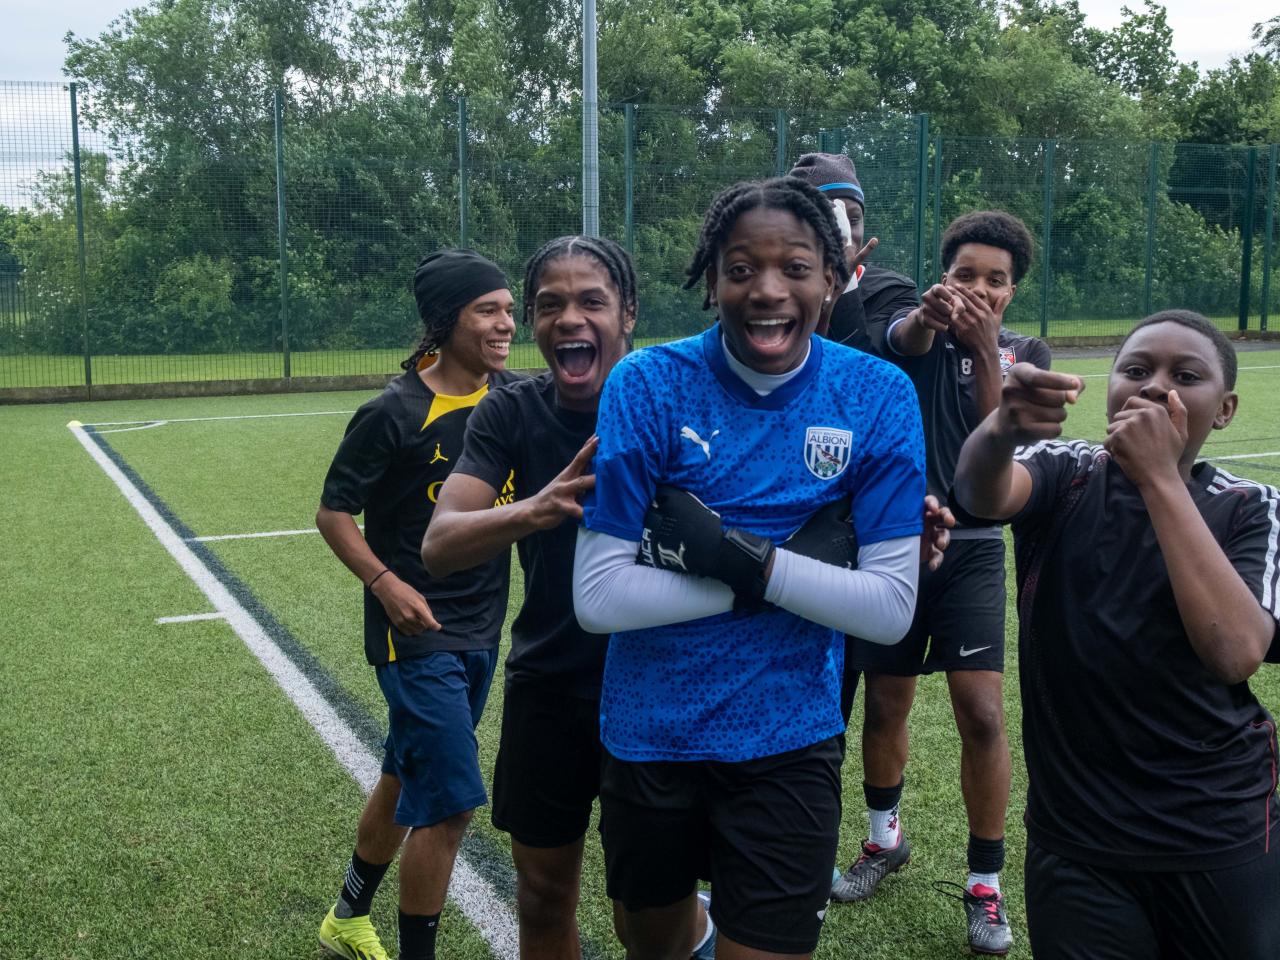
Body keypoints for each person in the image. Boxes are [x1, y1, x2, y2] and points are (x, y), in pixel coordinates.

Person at [571, 176, 927, 960]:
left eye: (795, 268)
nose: (767, 291)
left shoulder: (878, 395)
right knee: (652, 944)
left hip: (789, 739)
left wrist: (741, 561)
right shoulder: (647, 383)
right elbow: (598, 595)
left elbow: (889, 608)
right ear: (713, 280)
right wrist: (784, 577)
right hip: (649, 734)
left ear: (833, 278)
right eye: (741, 269)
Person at [422, 235, 716, 960]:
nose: (569, 318)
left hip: (659, 688)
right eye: (550, 305)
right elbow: (440, 544)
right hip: (550, 685)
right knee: (543, 894)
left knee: (646, 918)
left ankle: (703, 929)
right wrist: (537, 508)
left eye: (592, 301)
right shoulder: (510, 412)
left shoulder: (680, 403)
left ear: (628, 314)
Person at [951, 309, 1280, 959]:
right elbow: (980, 492)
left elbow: (1234, 652)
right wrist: (1000, 428)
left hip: (1220, 835)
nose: (1155, 386)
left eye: (1186, 376)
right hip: (1078, 842)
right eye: (1136, 370)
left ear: (1224, 411)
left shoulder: (1250, 508)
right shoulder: (1065, 474)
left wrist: (1160, 477)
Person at [834, 211, 1048, 955]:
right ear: (943, 276)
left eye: (996, 280)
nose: (979, 289)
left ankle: (984, 882)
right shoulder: (915, 327)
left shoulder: (1024, 353)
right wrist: (928, 320)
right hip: (897, 544)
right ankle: (882, 840)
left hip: (974, 547)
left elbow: (1001, 441)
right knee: (885, 702)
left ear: (1012, 292)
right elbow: (903, 340)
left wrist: (985, 347)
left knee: (982, 714)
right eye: (965, 275)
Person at [315, 250, 519, 960]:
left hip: (482, 627)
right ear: (446, 320)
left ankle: (346, 916)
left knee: (405, 773)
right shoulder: (393, 412)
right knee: (452, 802)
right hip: (415, 633)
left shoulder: (514, 398)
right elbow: (333, 513)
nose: (507, 323)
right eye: (487, 310)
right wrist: (384, 582)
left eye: (509, 309)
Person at [787, 152, 919, 350]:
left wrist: (845, 285)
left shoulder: (892, 291)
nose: (845, 232)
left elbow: (855, 362)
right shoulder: (774, 290)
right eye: (831, 219)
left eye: (854, 219)